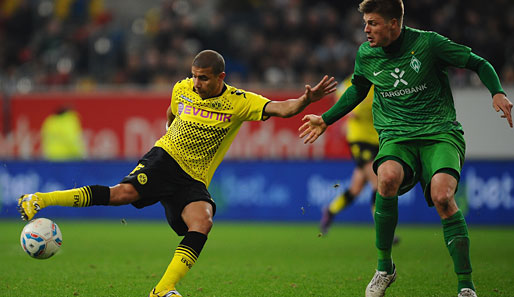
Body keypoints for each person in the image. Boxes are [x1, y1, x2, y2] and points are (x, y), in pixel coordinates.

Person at [18, 49, 336, 297]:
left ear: (221, 77)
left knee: (203, 221)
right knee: (121, 194)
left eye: (204, 78)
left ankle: (162, 289)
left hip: (194, 177)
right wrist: (170, 134)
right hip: (165, 159)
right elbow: (171, 113)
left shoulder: (239, 102)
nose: (197, 83)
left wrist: (306, 100)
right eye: (194, 76)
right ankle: (38, 199)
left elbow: (282, 108)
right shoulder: (182, 89)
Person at [298, 1, 513, 296]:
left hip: (439, 133)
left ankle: (466, 286)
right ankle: (384, 268)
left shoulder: (428, 43)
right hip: (397, 136)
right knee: (385, 178)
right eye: (365, 23)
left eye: (373, 23)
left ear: (394, 24)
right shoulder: (366, 54)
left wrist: (497, 91)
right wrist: (325, 119)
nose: (366, 29)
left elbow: (478, 63)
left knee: (443, 196)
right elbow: (358, 89)